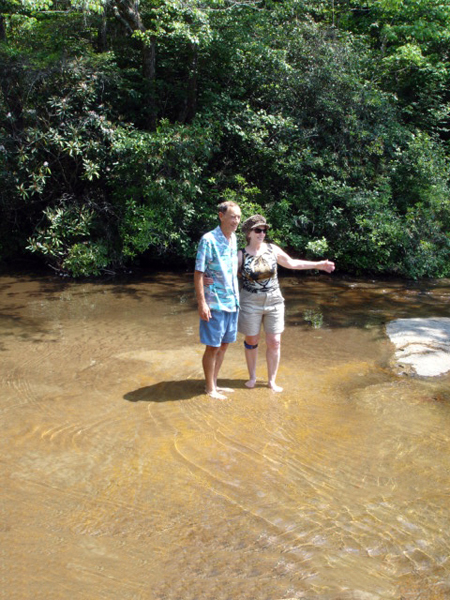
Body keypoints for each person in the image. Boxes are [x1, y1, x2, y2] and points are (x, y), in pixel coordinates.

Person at [238, 214, 335, 392]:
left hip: (274, 300)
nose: (262, 233)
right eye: (258, 230)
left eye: (264, 230)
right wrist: (207, 279)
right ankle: (252, 377)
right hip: (250, 301)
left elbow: (291, 263)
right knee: (252, 339)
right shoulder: (241, 254)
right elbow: (225, 274)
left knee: (274, 341)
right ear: (249, 233)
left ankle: (271, 381)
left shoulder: (272, 249)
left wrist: (318, 265)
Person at [194, 201, 241, 400]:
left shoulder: (234, 238)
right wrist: (202, 303)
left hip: (232, 302)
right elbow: (198, 273)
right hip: (214, 302)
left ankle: (214, 383)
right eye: (232, 217)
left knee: (224, 345)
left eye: (238, 217)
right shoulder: (208, 239)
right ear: (221, 216)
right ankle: (209, 388)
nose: (236, 221)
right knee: (213, 346)